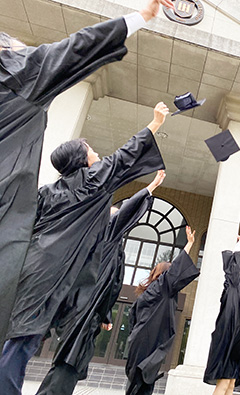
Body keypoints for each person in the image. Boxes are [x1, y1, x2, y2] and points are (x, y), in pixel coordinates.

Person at [0, 0, 175, 348]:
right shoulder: (16, 74)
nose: (25, 49)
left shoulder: (48, 193)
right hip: (44, 274)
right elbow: (77, 47)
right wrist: (155, 125)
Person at [0, 102, 168, 395]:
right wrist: (155, 123)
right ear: (82, 159)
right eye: (90, 149)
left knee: (22, 337)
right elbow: (124, 155)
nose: (97, 153)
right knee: (20, 342)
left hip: (35, 268)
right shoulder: (93, 183)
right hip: (52, 273)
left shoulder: (46, 193)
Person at [35, 170, 166, 395]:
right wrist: (149, 188)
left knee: (74, 361)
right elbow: (124, 213)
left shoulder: (115, 250)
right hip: (82, 309)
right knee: (70, 361)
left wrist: (105, 315)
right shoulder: (103, 238)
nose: (118, 219)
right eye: (114, 216)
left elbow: (112, 285)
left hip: (91, 311)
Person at [126, 226, 200, 395]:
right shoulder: (163, 288)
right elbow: (175, 270)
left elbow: (132, 318)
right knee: (142, 385)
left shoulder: (146, 294)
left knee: (135, 385)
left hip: (138, 341)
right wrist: (188, 245)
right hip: (150, 343)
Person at [204, 236, 240, 395]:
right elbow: (231, 265)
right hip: (227, 337)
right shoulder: (234, 284)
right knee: (223, 382)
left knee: (231, 382)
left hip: (237, 341)